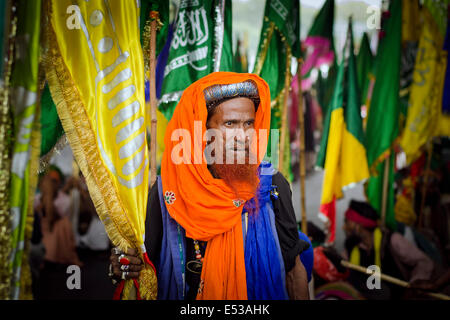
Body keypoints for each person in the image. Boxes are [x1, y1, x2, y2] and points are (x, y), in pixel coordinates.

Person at [109, 72, 310, 300]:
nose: (243, 136)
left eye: (249, 124)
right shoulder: (168, 192)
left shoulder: (273, 185)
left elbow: (294, 272)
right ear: (203, 132)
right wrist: (124, 265)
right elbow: (140, 265)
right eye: (230, 123)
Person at [343, 200, 435, 299]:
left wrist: (413, 287)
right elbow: (344, 268)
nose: (344, 227)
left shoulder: (392, 240)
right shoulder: (352, 246)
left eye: (347, 222)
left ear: (359, 225)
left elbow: (424, 262)